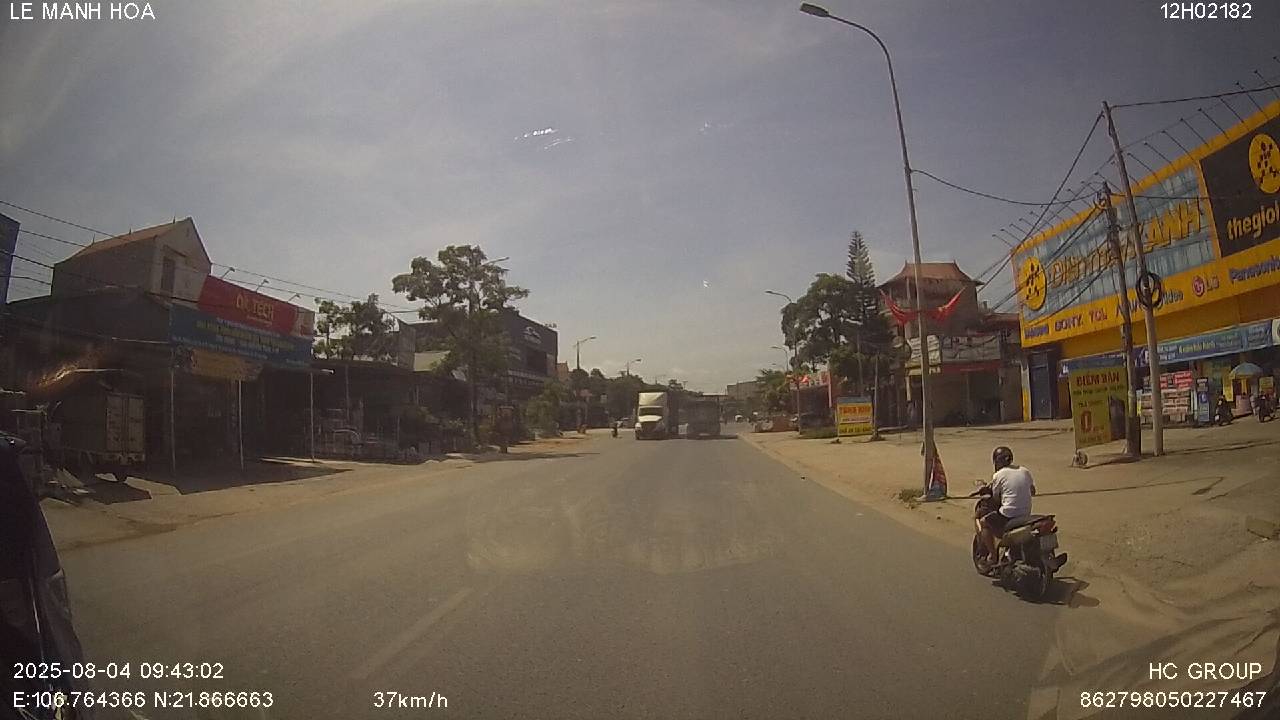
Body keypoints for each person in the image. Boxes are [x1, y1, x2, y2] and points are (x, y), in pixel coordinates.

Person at [979, 446, 1036, 568]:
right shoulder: (1024, 470)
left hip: (1008, 515)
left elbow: (995, 498)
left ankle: (993, 556)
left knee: (984, 522)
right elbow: (1033, 491)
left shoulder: (998, 475)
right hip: (1026, 515)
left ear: (996, 461)